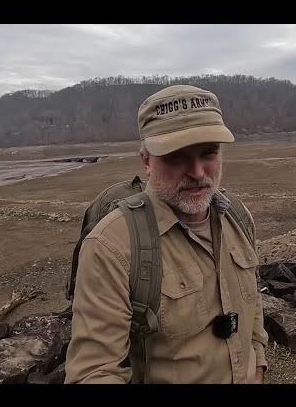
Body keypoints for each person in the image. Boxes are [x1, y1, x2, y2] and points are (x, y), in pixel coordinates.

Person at [65, 84, 268, 384]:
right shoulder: (112, 245)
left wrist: (259, 367)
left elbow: (252, 313)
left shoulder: (237, 217)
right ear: (146, 161)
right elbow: (94, 372)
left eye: (208, 152)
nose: (198, 172)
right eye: (177, 156)